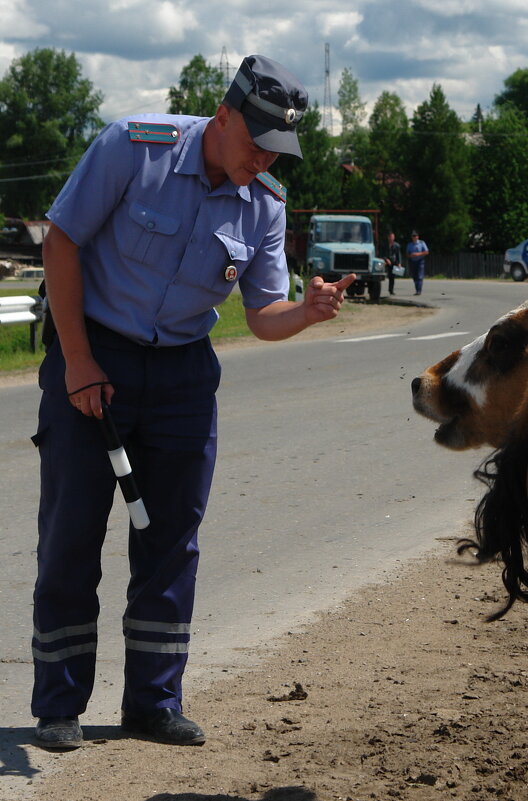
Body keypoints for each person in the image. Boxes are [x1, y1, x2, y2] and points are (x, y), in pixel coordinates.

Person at [30, 54, 355, 750]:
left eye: (278, 148)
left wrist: (306, 311)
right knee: (71, 533)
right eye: (256, 140)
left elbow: (262, 311)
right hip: (96, 355)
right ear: (223, 116)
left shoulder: (265, 202)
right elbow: (61, 241)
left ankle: (153, 701)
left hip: (181, 376)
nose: (265, 157)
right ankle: (59, 704)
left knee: (171, 540)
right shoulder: (132, 147)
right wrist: (79, 360)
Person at [406, 230, 429, 295]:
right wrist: (411, 255)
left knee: (420, 276)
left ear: (418, 237)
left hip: (420, 261)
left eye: (415, 236)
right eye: (413, 236)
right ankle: (417, 289)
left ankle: (419, 290)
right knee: (414, 276)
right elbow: (407, 254)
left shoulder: (422, 243)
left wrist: (418, 254)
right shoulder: (409, 245)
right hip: (412, 261)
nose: (414, 237)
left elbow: (426, 252)